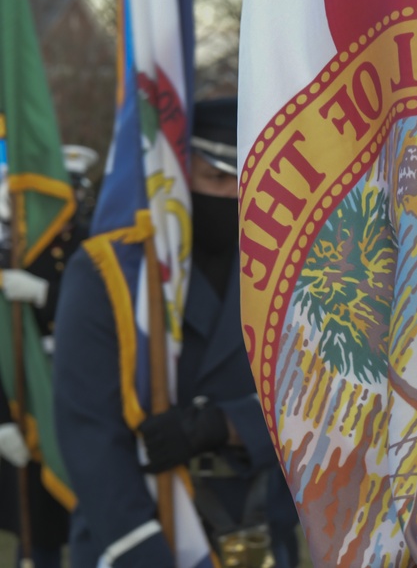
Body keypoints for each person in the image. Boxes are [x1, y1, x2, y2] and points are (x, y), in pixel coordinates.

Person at [53, 99, 299, 568]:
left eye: (243, 181)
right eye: (216, 179)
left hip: (255, 531)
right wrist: (140, 548)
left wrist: (228, 424)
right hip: (140, 532)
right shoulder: (110, 272)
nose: (231, 197)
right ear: (179, 178)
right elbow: (89, 431)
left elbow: (320, 401)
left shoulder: (288, 267)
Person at [0, 144, 97, 568]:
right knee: (37, 525)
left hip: (84, 392)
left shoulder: (94, 245)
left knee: (91, 512)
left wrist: (45, 295)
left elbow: (106, 310)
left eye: (72, 192)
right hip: (29, 397)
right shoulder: (12, 254)